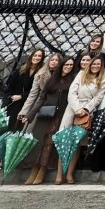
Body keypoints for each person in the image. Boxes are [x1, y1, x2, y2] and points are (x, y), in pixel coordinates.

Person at [18, 53, 71, 185]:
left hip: (59, 115)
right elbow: (41, 98)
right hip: (46, 113)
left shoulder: (71, 80)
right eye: (66, 65)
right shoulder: (52, 79)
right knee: (39, 142)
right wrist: (29, 115)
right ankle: (34, 169)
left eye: (70, 65)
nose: (68, 67)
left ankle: (43, 169)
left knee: (49, 144)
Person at [58, 54, 105, 184]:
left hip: (87, 111)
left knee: (77, 143)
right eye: (94, 64)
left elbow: (98, 98)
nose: (96, 66)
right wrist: (77, 108)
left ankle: (69, 174)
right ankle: (59, 174)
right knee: (64, 139)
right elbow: (72, 92)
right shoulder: (81, 75)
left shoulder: (103, 79)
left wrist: (85, 109)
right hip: (72, 109)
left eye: (98, 64)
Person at [2, 48, 45, 152]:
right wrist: (7, 100)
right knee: (6, 130)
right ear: (31, 57)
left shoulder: (41, 73)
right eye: (35, 55)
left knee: (17, 131)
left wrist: (22, 96)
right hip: (12, 104)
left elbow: (36, 91)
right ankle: (1, 157)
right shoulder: (20, 70)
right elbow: (8, 88)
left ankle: (10, 154)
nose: (37, 58)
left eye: (39, 56)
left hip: (26, 105)